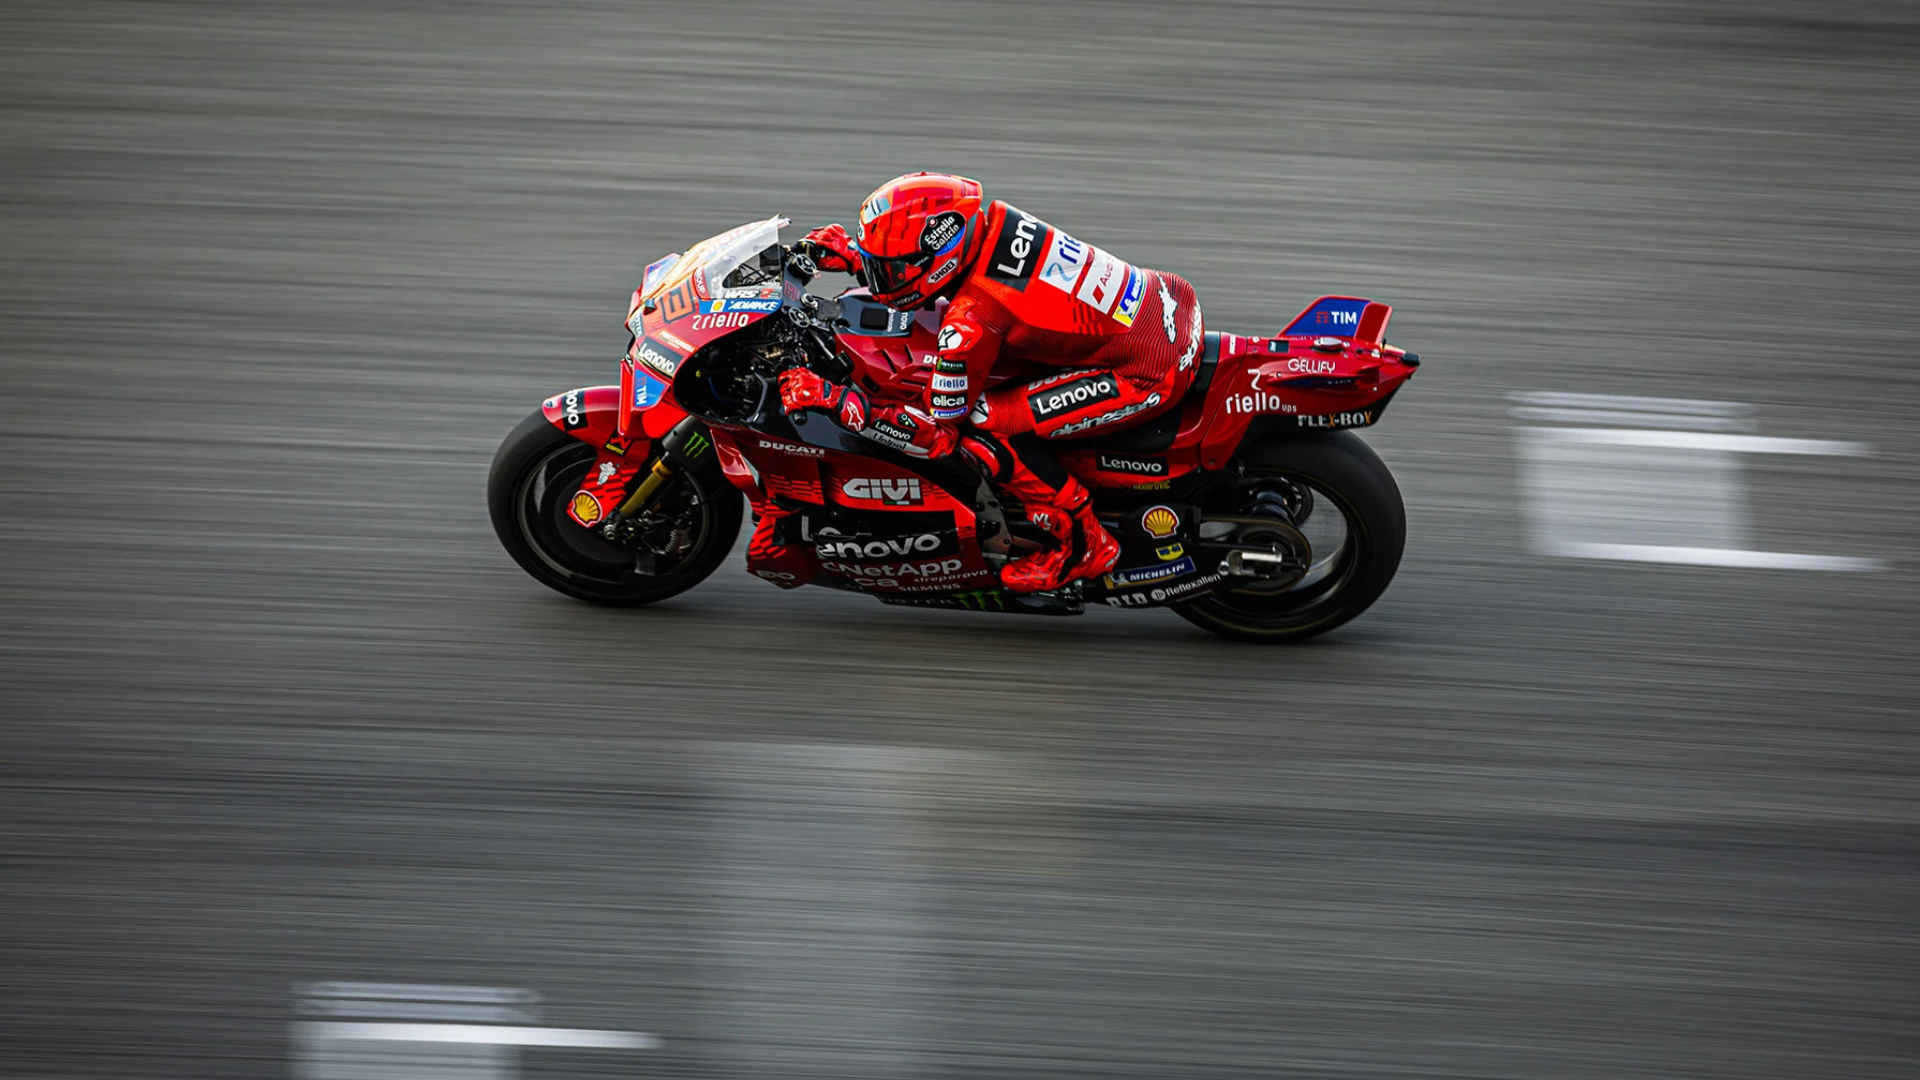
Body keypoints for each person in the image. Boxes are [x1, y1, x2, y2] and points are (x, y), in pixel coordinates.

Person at [775, 172, 1205, 593]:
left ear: (939, 256)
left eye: (889, 269)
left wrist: (838, 401)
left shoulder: (973, 320)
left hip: (1149, 370)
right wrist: (859, 258)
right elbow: (942, 274)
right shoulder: (994, 224)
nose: (882, 276)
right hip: (1167, 299)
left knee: (984, 426)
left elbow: (937, 436)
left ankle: (1082, 543)